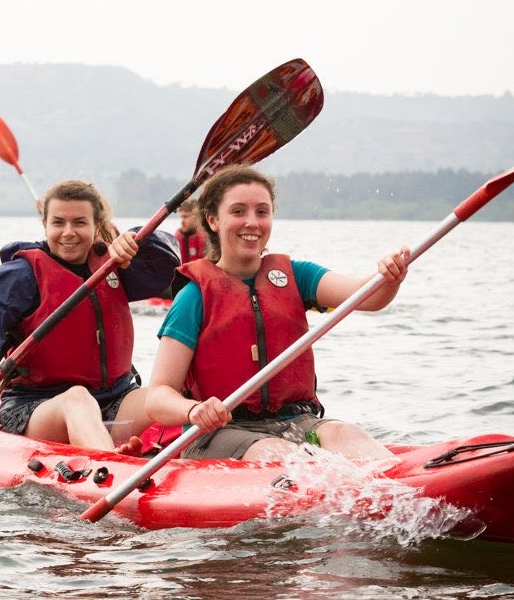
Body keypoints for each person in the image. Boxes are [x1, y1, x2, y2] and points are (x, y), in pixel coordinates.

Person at [145, 164, 409, 462]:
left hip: (295, 421)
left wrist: (388, 277)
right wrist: (193, 410)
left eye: (262, 211)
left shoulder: (297, 276)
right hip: (220, 432)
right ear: (213, 220)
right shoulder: (193, 296)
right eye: (238, 212)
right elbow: (157, 397)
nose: (252, 222)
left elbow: (367, 298)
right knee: (282, 456)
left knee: (348, 435)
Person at [0, 179, 180, 455]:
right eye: (58, 223)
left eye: (80, 223)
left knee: (173, 397)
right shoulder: (21, 274)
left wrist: (139, 239)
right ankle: (109, 467)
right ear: (45, 224)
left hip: (115, 399)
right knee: (77, 399)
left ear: (97, 226)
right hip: (36, 407)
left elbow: (167, 265)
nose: (68, 233)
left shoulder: (113, 264)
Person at [174, 197, 208, 264]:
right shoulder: (176, 240)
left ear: (197, 217)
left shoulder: (210, 241)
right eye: (181, 217)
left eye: (185, 217)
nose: (182, 221)